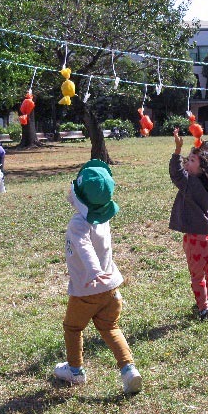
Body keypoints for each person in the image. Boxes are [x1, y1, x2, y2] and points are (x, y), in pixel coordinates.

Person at [53, 159, 142, 394]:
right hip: (111, 289)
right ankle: (129, 369)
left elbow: (84, 246)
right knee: (110, 327)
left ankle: (74, 370)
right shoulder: (103, 219)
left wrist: (94, 271)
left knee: (72, 327)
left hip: (87, 290)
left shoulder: (78, 224)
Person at [169, 128, 208, 320]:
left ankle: (203, 308)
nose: (186, 162)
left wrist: (177, 150)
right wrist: (189, 158)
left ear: (202, 169)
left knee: (197, 276)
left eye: (192, 161)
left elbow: (176, 173)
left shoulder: (190, 184)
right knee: (207, 270)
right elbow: (185, 169)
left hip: (196, 241)